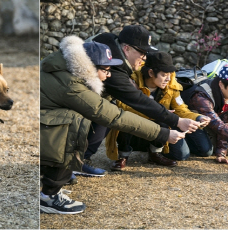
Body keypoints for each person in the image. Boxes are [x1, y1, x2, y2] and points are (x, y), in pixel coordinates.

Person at [40, 36, 185, 214]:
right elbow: (115, 116)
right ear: (90, 68)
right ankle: (49, 196)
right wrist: (162, 134)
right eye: (106, 70)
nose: (109, 75)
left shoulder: (67, 69)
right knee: (72, 125)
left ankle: (59, 175)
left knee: (77, 118)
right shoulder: (71, 85)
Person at [81, 25, 201, 173]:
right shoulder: (115, 69)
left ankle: (80, 159)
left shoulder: (113, 55)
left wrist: (195, 117)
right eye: (142, 52)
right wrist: (177, 121)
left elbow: (179, 106)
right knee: (109, 113)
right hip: (69, 105)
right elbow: (137, 101)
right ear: (127, 49)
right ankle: (75, 161)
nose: (144, 58)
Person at [106, 51, 211, 168]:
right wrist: (159, 114)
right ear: (151, 72)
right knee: (127, 119)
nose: (168, 78)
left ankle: (155, 153)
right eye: (164, 74)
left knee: (181, 154)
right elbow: (123, 107)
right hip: (133, 130)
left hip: (159, 131)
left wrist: (198, 117)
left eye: (170, 74)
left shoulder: (172, 85)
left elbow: (181, 109)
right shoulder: (131, 81)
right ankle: (123, 155)